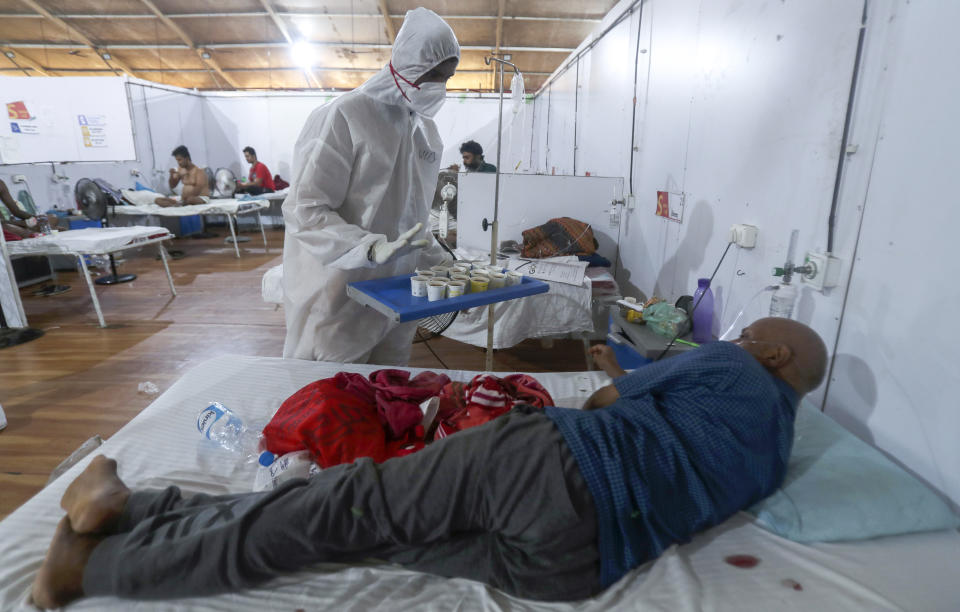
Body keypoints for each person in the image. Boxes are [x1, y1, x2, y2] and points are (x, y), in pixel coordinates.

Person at [31, 317, 828, 608]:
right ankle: (137, 516)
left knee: (332, 508)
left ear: (775, 350)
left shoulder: (733, 365)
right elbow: (674, 436)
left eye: (751, 333)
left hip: (552, 471)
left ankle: (82, 572)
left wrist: (620, 379)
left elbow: (603, 407)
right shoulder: (776, 452)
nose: (740, 341)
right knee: (337, 529)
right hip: (574, 568)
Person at [281, 8, 459, 365]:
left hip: (397, 297)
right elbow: (306, 211)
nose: (438, 87)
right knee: (333, 397)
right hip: (340, 294)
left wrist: (443, 263)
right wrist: (368, 247)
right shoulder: (344, 116)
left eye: (447, 77)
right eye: (432, 75)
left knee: (387, 393)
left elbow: (412, 219)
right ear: (407, 65)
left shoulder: (425, 131)